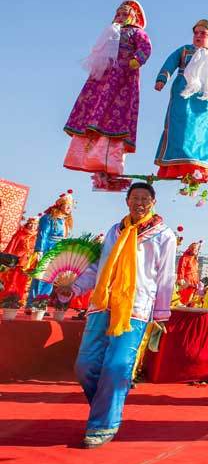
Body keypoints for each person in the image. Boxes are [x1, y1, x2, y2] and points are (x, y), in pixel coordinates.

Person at [55, 183, 176, 448]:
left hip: (135, 308)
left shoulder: (163, 235)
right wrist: (73, 288)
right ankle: (106, 406)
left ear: (153, 202)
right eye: (135, 198)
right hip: (102, 304)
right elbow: (99, 265)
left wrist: (161, 314)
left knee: (116, 367)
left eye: (145, 198)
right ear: (127, 201)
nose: (139, 203)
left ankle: (103, 424)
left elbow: (166, 275)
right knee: (85, 365)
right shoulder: (115, 230)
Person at [64, 0, 150, 176]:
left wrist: (138, 59)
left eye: (124, 14)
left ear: (134, 17)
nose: (119, 17)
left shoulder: (136, 32)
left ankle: (108, 159)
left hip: (123, 76)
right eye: (118, 14)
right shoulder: (111, 32)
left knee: (114, 112)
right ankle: (83, 155)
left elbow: (146, 47)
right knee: (93, 109)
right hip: (102, 77)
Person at [153, 20, 208, 182]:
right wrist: (162, 79)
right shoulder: (184, 51)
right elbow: (170, 62)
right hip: (182, 95)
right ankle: (174, 165)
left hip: (204, 100)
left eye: (203, 34)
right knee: (179, 128)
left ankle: (196, 168)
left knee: (199, 132)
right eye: (196, 33)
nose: (198, 36)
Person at [28, 192, 75, 307]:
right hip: (47, 249)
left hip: (58, 251)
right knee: (40, 277)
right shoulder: (48, 218)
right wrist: (39, 250)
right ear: (60, 205)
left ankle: (42, 303)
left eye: (71, 206)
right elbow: (43, 235)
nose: (70, 208)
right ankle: (33, 303)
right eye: (67, 205)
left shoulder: (65, 221)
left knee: (51, 277)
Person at [0, 216, 38, 304]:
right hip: (17, 260)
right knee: (12, 280)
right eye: (31, 223)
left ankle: (20, 299)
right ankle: (7, 299)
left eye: (35, 224)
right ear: (28, 224)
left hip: (29, 262)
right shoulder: (20, 234)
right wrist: (7, 259)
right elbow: (11, 247)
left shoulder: (37, 237)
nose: (32, 226)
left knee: (24, 281)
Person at [175, 240, 202, 306]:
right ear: (190, 249)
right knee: (183, 301)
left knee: (190, 302)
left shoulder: (195, 260)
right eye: (193, 248)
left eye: (196, 249)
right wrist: (181, 279)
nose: (195, 250)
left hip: (193, 283)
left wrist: (197, 281)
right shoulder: (184, 258)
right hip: (186, 282)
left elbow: (196, 272)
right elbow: (181, 268)